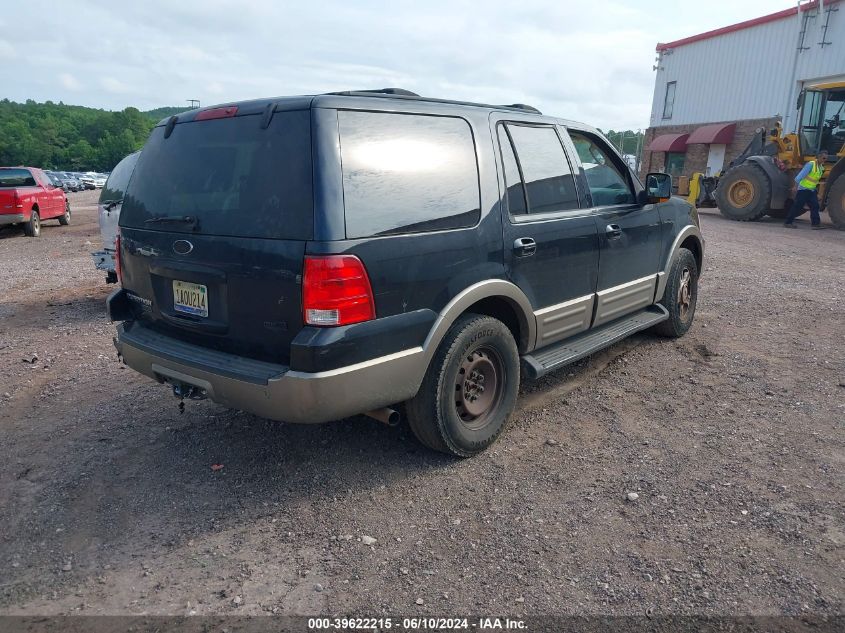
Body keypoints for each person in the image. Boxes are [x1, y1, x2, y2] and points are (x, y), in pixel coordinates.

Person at [784, 150, 828, 229]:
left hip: (811, 190)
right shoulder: (810, 165)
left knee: (815, 206)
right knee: (797, 206)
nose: (825, 160)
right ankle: (788, 222)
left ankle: (815, 224)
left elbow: (815, 181)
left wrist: (817, 192)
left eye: (826, 159)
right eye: (824, 158)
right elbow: (799, 177)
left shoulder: (821, 168)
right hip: (803, 189)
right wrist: (795, 187)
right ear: (819, 157)